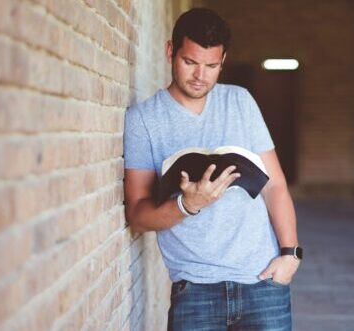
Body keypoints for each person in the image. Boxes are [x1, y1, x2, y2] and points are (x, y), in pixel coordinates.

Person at [122, 8, 301, 331]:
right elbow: (137, 214)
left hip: (263, 282)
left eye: (211, 66)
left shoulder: (240, 102)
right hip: (195, 291)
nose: (200, 76)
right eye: (190, 62)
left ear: (223, 61)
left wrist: (290, 254)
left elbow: (274, 186)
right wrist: (186, 206)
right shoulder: (144, 121)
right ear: (169, 52)